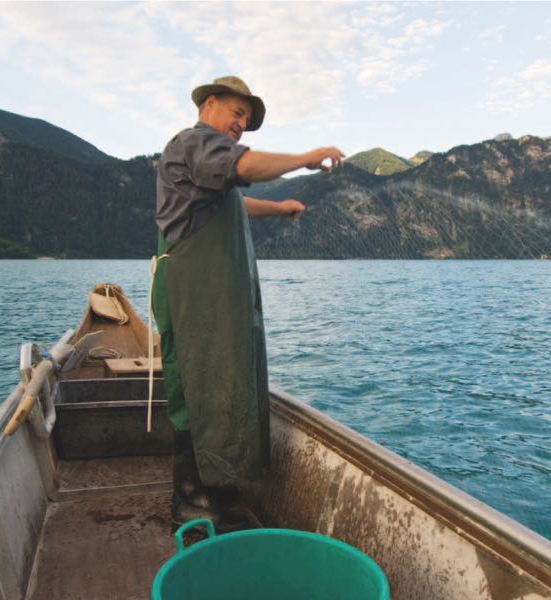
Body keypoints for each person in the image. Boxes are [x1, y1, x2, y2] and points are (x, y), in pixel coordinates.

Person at [152, 75, 344, 528]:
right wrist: (303, 159)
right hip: (193, 294)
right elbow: (243, 168)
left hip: (219, 298)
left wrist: (278, 209)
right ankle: (190, 497)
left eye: (246, 119)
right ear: (210, 103)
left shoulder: (210, 168)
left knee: (227, 379)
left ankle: (221, 488)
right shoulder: (195, 142)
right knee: (195, 385)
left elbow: (235, 202)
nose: (241, 124)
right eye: (237, 113)